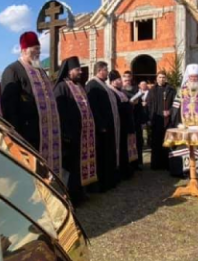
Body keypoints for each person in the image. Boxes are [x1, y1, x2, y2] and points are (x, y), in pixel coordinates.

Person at [0, 31, 62, 175]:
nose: (37, 54)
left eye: (39, 51)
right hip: (26, 132)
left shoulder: (41, 72)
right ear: (23, 50)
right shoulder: (13, 70)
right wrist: (16, 134)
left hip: (45, 133)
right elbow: (9, 106)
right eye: (34, 50)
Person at [53, 56, 97, 205]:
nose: (80, 72)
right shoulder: (61, 87)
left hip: (83, 135)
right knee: (70, 167)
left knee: (80, 164)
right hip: (69, 135)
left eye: (80, 69)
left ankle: (80, 192)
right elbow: (60, 112)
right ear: (69, 71)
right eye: (77, 69)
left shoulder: (80, 87)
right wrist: (65, 133)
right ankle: (70, 196)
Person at [85, 62, 119, 191]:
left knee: (108, 155)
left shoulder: (103, 85)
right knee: (102, 156)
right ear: (99, 70)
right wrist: (101, 125)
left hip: (109, 127)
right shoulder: (92, 85)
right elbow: (93, 108)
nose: (107, 73)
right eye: (106, 70)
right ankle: (102, 183)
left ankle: (109, 180)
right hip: (101, 129)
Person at [107, 70, 137, 179]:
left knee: (125, 148)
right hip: (119, 125)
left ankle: (127, 168)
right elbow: (117, 108)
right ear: (113, 82)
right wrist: (128, 104)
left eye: (120, 80)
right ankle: (122, 171)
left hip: (126, 124)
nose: (120, 82)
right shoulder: (112, 92)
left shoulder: (120, 91)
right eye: (118, 80)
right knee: (121, 149)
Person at [146, 71, 176, 170]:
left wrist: (170, 111)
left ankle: (167, 164)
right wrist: (149, 118)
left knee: (167, 142)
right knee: (156, 143)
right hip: (156, 120)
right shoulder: (152, 90)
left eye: (163, 77)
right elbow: (149, 105)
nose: (162, 79)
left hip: (167, 121)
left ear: (166, 78)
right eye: (160, 77)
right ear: (157, 78)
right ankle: (156, 164)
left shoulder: (171, 90)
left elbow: (176, 104)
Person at [122, 71, 145, 169]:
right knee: (127, 144)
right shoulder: (120, 90)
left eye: (128, 78)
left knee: (137, 142)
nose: (127, 81)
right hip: (125, 120)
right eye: (125, 79)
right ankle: (128, 164)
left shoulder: (136, 89)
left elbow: (140, 106)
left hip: (136, 119)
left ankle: (138, 163)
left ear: (131, 78)